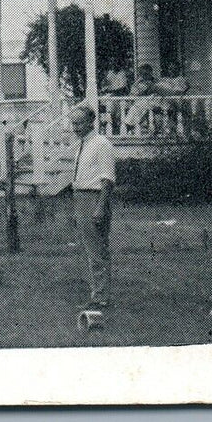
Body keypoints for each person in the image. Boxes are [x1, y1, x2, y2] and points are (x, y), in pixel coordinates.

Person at [69, 102, 114, 309]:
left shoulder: (101, 144)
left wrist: (100, 207)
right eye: (73, 124)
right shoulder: (83, 144)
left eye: (79, 123)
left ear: (91, 122)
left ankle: (100, 297)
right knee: (90, 248)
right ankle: (97, 293)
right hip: (81, 197)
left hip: (94, 198)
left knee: (97, 249)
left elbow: (107, 179)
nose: (75, 128)